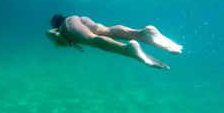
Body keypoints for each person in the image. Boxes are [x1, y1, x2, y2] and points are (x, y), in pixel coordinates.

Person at [46, 14, 183, 70]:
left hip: (70, 22)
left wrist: (60, 37)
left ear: (55, 24)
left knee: (91, 40)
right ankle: (143, 34)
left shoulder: (61, 28)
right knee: (106, 30)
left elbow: (53, 37)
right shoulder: (71, 21)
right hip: (81, 18)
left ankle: (127, 50)